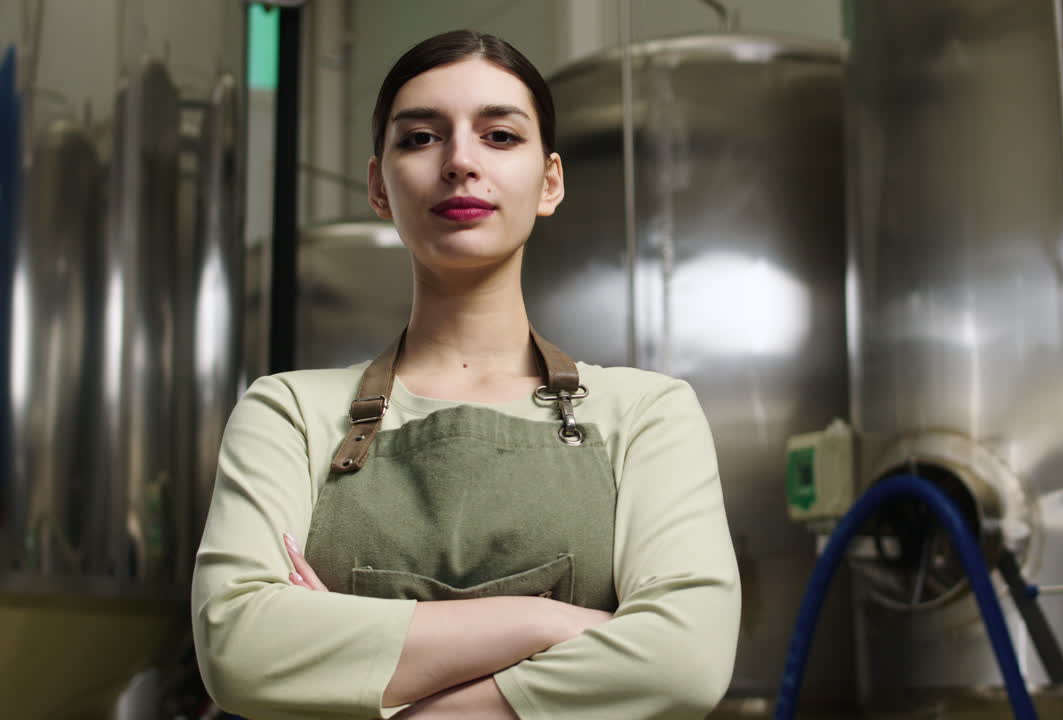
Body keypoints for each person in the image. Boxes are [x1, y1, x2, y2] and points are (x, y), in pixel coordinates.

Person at [191, 30, 741, 720]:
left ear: (549, 181)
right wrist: (545, 622)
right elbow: (239, 648)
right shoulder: (288, 412)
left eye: (500, 137)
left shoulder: (649, 412)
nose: (459, 162)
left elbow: (684, 662)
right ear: (378, 186)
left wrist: (377, 682)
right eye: (421, 138)